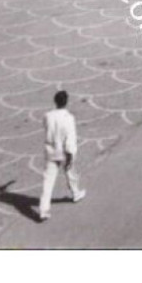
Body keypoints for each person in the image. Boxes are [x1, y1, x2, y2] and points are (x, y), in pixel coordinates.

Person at [37, 90, 86, 222]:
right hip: (64, 150)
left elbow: (45, 127)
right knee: (70, 172)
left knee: (48, 181)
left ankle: (43, 210)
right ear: (66, 102)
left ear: (55, 101)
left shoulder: (47, 115)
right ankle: (76, 193)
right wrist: (71, 153)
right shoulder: (68, 118)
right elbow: (70, 137)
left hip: (51, 150)